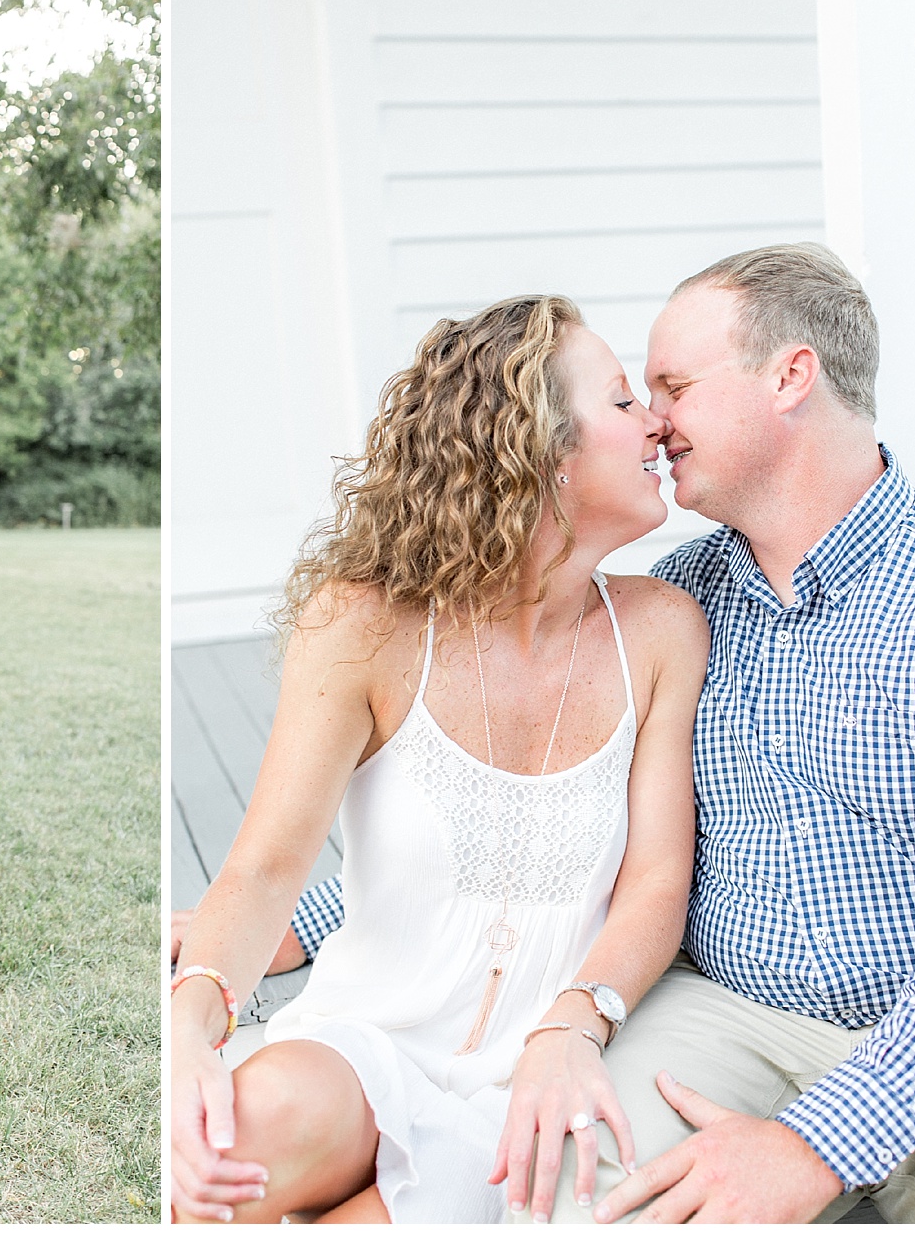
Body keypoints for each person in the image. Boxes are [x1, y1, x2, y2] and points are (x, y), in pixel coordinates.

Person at [188, 243, 915, 1223]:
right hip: (722, 1017)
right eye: (633, 395)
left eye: (674, 386)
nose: (655, 418)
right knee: (560, 1195)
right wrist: (299, 925)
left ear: (790, 376)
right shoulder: (681, 600)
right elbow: (526, 826)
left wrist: (817, 1141)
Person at [171, 295, 710, 1222]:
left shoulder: (661, 631)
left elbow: (658, 880)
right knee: (225, 1143)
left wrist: (574, 1026)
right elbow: (266, 866)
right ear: (542, 450)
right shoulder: (363, 623)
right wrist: (190, 1020)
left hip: (535, 1084)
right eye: (623, 401)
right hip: (365, 1042)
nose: (658, 421)